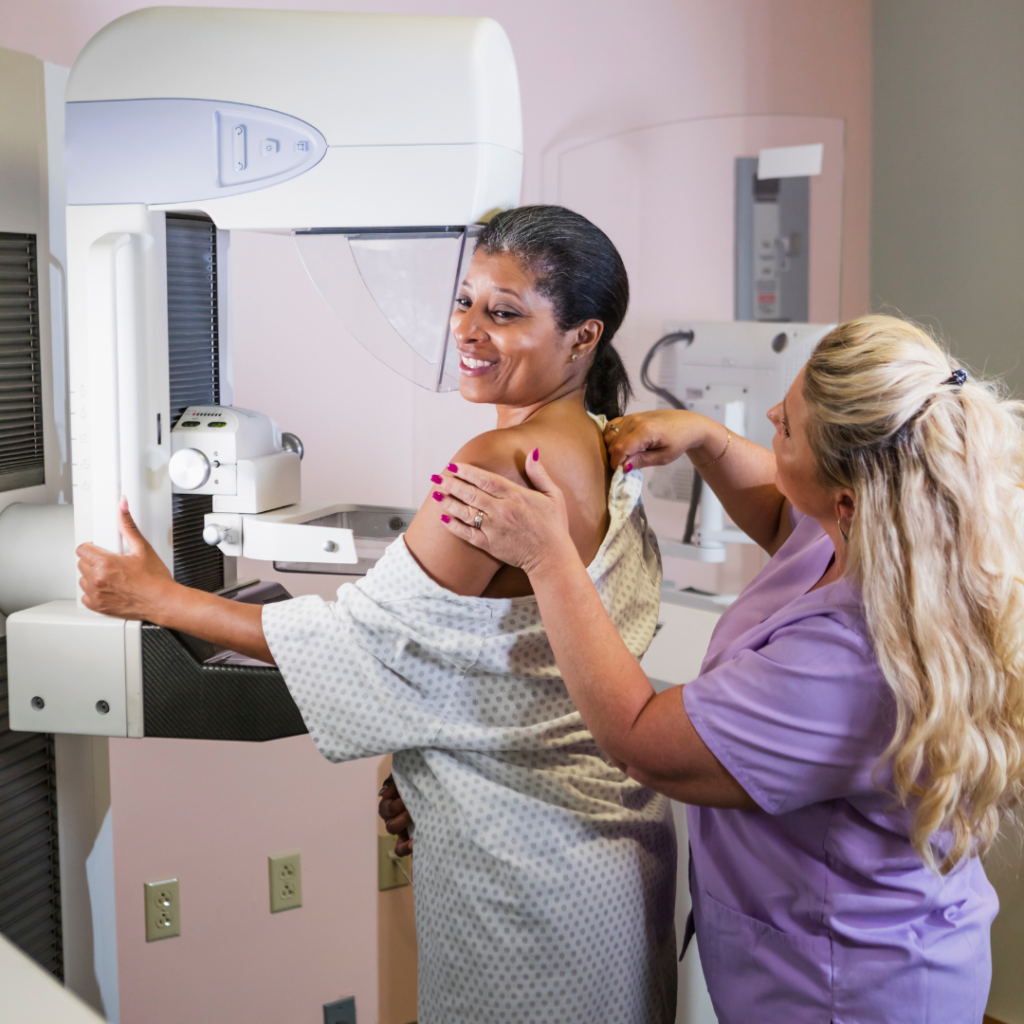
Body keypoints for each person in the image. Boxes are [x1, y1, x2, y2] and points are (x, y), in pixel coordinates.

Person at [77, 206, 683, 1024]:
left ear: (582, 336)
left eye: (504, 312)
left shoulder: (494, 466)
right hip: (613, 853)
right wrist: (421, 771)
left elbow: (363, 643)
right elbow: (512, 661)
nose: (467, 329)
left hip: (522, 870)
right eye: (465, 300)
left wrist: (154, 596)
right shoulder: (609, 444)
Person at [423, 314, 1024, 1024]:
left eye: (789, 427)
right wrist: (707, 439)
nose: (771, 415)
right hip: (836, 948)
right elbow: (782, 517)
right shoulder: (889, 532)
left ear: (850, 500)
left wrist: (548, 556)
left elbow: (641, 739)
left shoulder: (850, 663)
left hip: (849, 990)